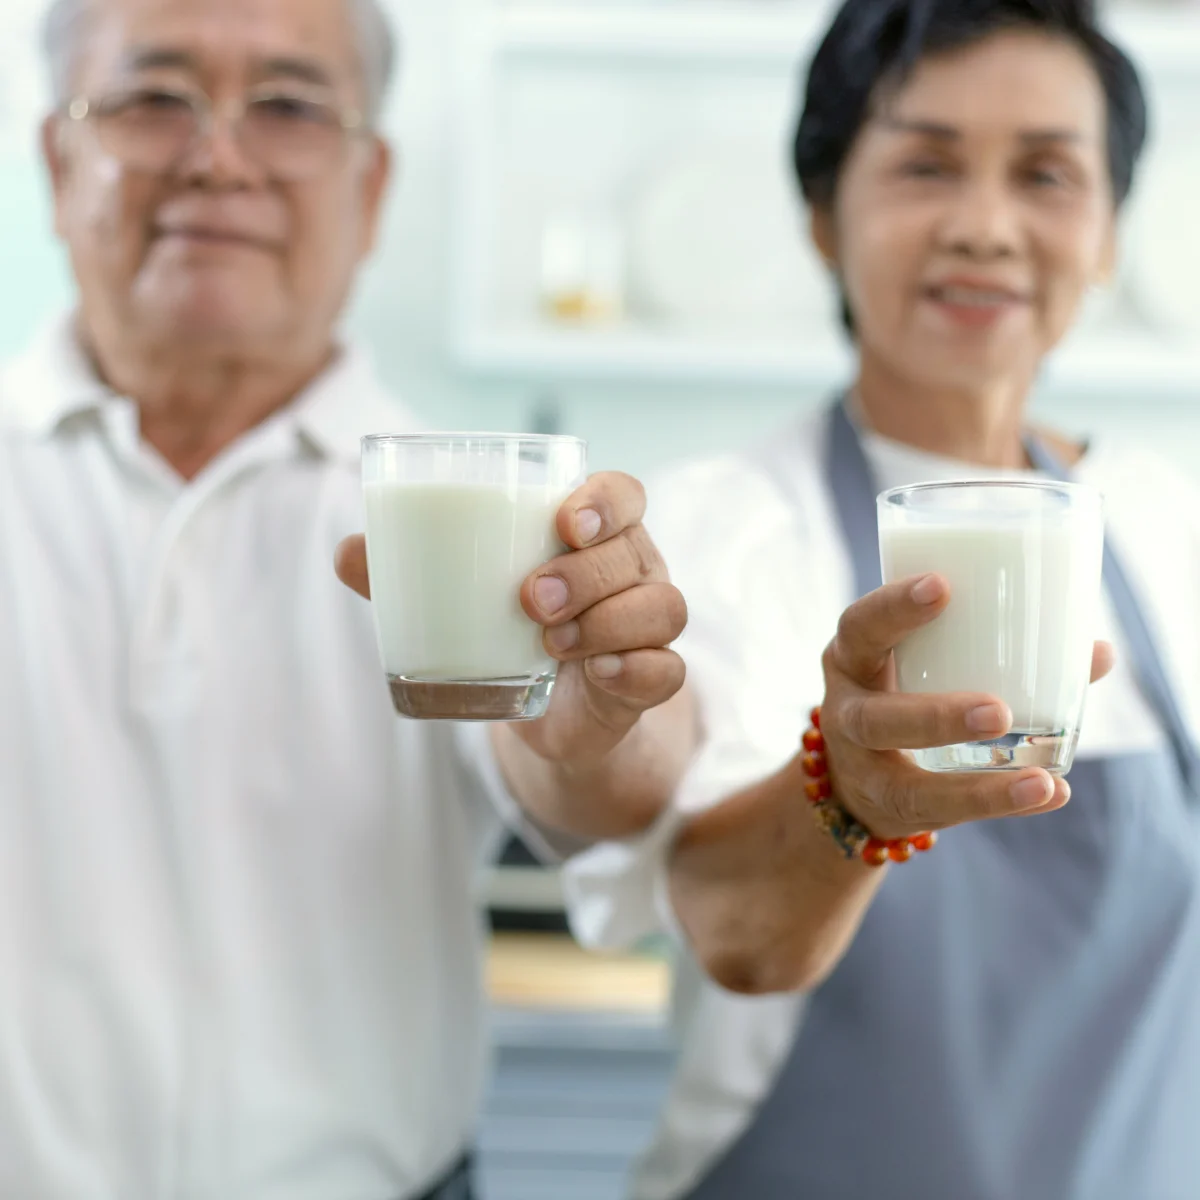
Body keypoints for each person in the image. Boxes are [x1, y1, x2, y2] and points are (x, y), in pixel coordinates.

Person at [0, 0, 693, 1195]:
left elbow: (595, 786)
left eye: (288, 106)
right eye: (156, 97)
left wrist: (603, 719)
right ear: (58, 163)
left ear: (371, 188)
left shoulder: (469, 503)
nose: (219, 157)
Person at [564, 0, 1200, 1196]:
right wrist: (845, 796)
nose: (985, 227)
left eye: (1048, 174)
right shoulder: (712, 533)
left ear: (1110, 231)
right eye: (924, 164)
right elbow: (735, 931)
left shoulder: (1169, 528)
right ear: (821, 214)